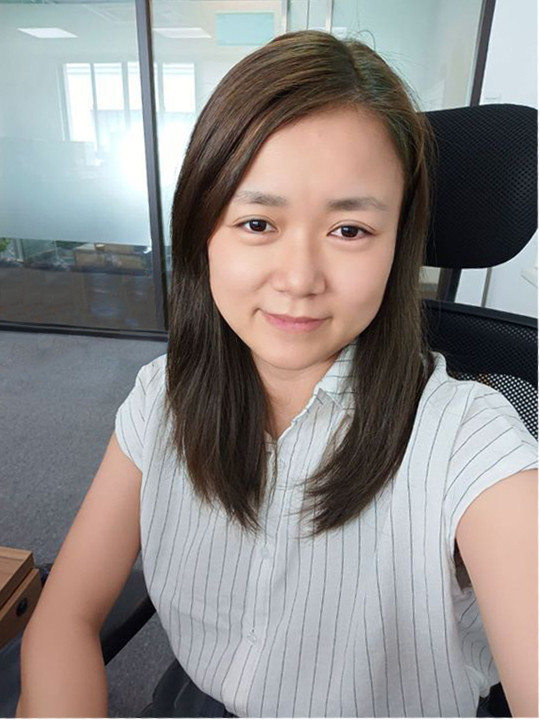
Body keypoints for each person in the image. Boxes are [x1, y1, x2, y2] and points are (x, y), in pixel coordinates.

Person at [17, 30, 537, 718]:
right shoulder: (163, 397)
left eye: (349, 231)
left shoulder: (470, 440)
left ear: (398, 243)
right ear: (203, 231)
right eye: (258, 223)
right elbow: (66, 614)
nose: (298, 279)